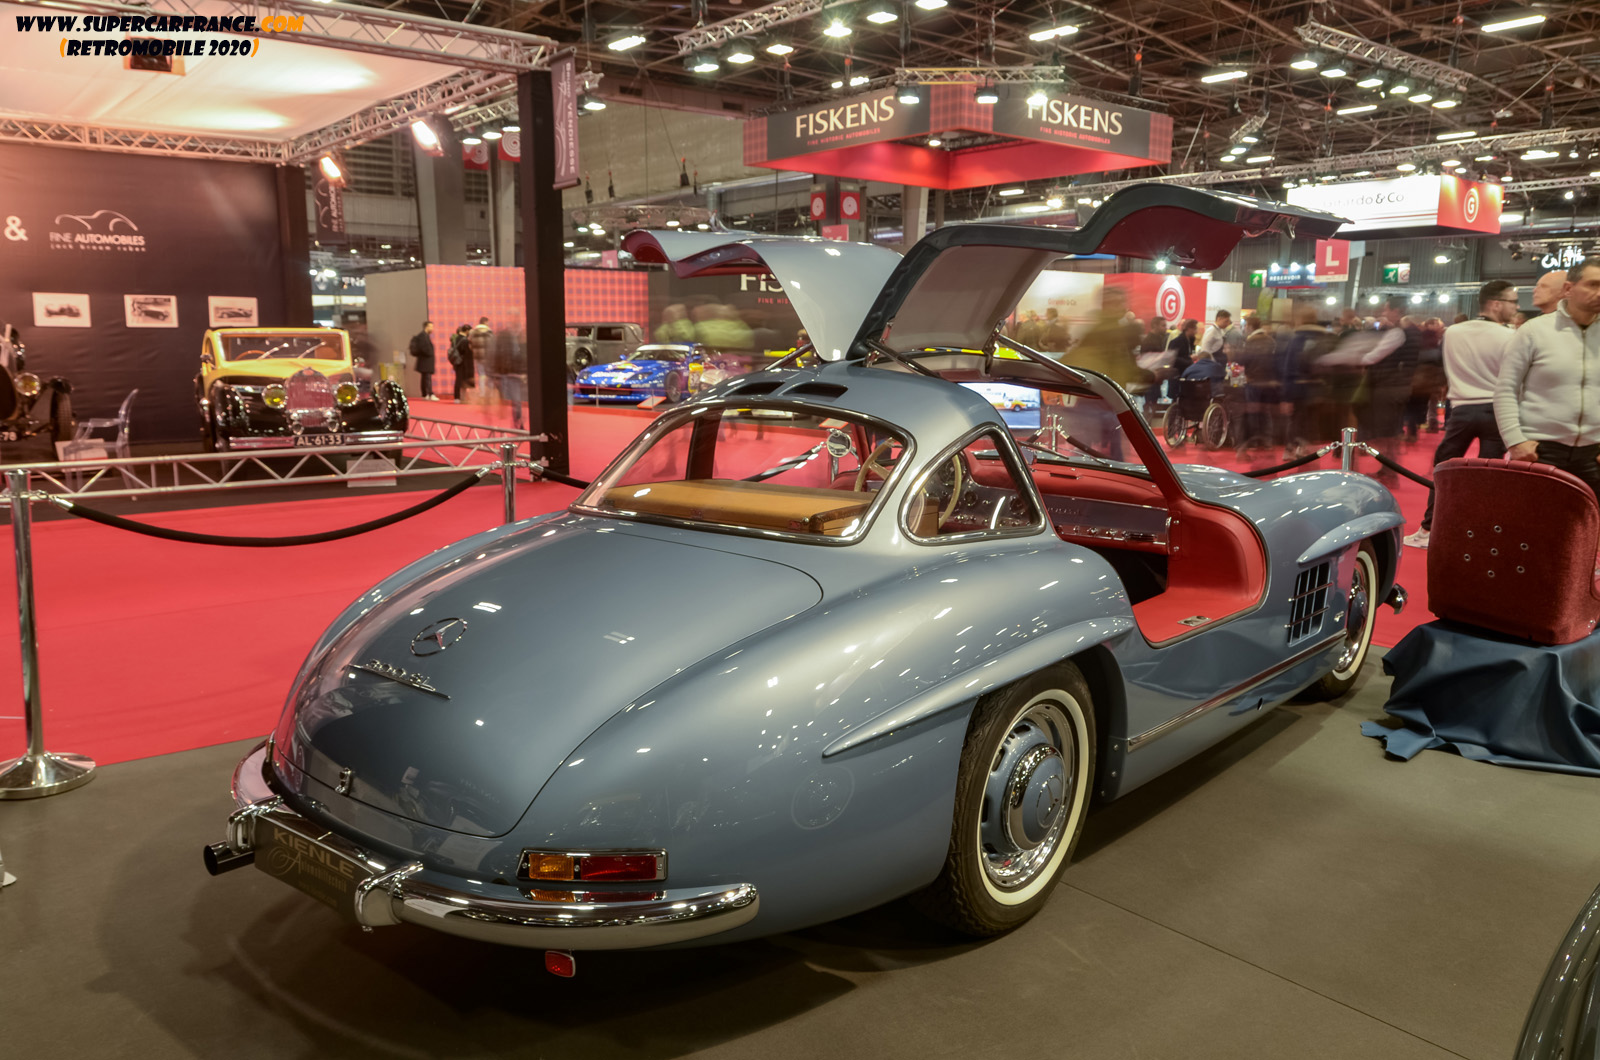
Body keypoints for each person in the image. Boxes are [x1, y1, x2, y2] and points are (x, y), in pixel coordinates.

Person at [1404, 282, 1519, 547]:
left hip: (1461, 410)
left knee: (1443, 472)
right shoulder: (1510, 336)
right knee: (1490, 475)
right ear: (1496, 303)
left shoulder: (1453, 332)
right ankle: (1484, 533)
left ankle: (1429, 529)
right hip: (1496, 410)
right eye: (1512, 302)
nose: (1516, 307)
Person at [1494, 257, 1600, 503]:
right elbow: (1506, 389)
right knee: (1534, 521)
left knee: (1590, 523)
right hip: (1540, 450)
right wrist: (1515, 441)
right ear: (1569, 288)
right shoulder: (1534, 331)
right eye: (1593, 284)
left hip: (1594, 453)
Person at [408, 320, 437, 400]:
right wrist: (430, 353)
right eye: (431, 327)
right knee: (427, 378)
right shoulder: (422, 336)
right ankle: (429, 393)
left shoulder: (425, 336)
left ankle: (425, 394)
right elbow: (423, 348)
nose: (432, 328)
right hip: (425, 361)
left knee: (425, 377)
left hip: (425, 361)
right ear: (426, 327)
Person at [449, 324, 473, 400]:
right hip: (463, 363)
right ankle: (461, 398)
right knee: (463, 380)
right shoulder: (465, 340)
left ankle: (457, 397)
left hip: (456, 361)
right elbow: (466, 353)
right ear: (467, 331)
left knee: (458, 379)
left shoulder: (454, 339)